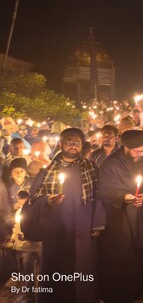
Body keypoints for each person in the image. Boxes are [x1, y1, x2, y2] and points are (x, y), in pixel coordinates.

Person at [22, 128, 106, 303]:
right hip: (56, 228)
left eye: (77, 142)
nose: (73, 145)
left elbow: (99, 195)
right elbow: (33, 198)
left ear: (82, 145)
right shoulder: (48, 171)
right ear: (61, 144)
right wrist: (47, 200)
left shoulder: (90, 167)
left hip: (82, 227)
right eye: (69, 141)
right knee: (55, 267)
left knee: (83, 266)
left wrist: (97, 223)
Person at [98, 130, 143, 303]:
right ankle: (118, 294)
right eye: (137, 151)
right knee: (120, 254)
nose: (140, 154)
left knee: (136, 250)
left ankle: (137, 288)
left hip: (137, 214)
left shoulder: (142, 160)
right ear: (126, 147)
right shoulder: (110, 164)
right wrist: (124, 197)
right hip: (117, 217)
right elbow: (105, 189)